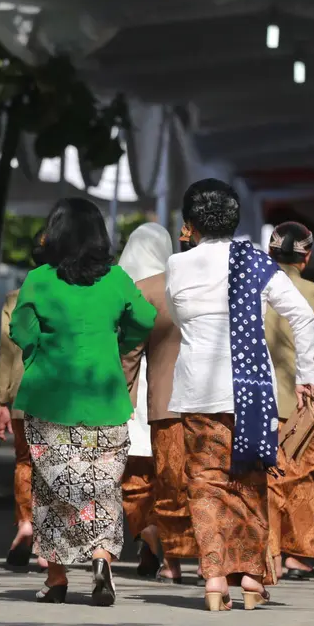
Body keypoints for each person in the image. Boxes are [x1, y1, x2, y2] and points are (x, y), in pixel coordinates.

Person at [165, 179, 314, 611]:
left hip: (198, 392)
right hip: (251, 393)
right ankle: (251, 577)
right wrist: (307, 376)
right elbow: (303, 317)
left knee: (205, 485)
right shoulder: (255, 262)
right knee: (250, 484)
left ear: (191, 223)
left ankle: (214, 579)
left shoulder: (178, 265)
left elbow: (179, 318)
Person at [10, 198, 156, 606]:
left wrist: (39, 353)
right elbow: (145, 319)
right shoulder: (116, 279)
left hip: (50, 399)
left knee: (51, 488)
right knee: (102, 487)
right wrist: (118, 346)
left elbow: (20, 328)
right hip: (105, 400)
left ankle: (56, 579)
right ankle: (101, 558)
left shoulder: (39, 279)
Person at [262, 222, 314, 581]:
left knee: (262, 479)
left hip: (256, 400)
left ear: (270, 252)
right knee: (304, 478)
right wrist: (307, 363)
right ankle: (297, 557)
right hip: (301, 406)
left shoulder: (252, 288)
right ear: (306, 257)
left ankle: (268, 553)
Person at [119, 223, 200, 584]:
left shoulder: (127, 289)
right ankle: (195, 558)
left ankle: (156, 541)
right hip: (193, 401)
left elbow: (127, 354)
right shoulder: (185, 285)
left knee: (143, 482)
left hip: (145, 400)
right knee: (188, 481)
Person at [0, 231, 49, 570]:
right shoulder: (70, 294)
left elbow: (6, 352)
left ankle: (26, 522)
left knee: (25, 461)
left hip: (20, 394)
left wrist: (1, 400)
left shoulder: (15, 298)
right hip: (57, 394)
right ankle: (47, 541)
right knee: (55, 464)